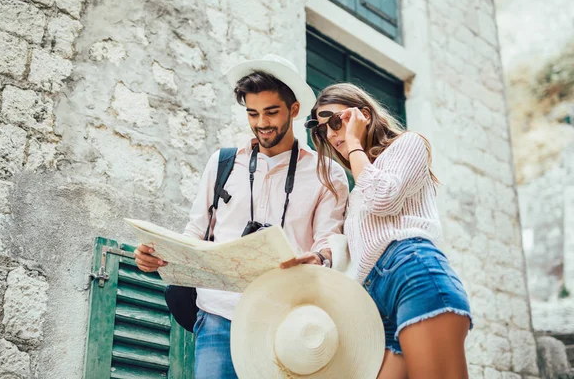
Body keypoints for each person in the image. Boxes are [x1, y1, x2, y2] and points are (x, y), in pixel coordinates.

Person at [133, 55, 349, 379]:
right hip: (218, 316)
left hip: (287, 321)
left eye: (272, 112)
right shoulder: (222, 162)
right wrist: (161, 256)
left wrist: (319, 258)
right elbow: (196, 229)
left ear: (293, 110)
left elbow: (329, 242)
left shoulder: (327, 173)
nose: (261, 123)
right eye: (252, 113)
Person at [299, 82, 473, 379]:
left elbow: (383, 199)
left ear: (363, 115)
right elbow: (355, 251)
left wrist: (354, 145)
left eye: (336, 122)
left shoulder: (409, 144)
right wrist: (322, 259)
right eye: (321, 128)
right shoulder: (358, 192)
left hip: (412, 274)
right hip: (378, 305)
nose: (330, 134)